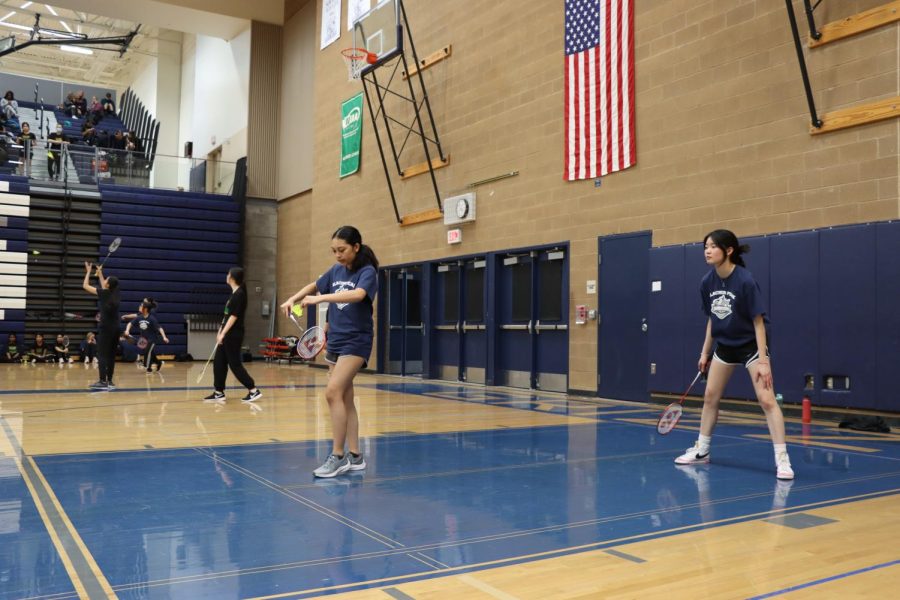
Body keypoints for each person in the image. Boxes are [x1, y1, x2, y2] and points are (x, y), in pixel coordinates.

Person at [674, 229, 793, 480]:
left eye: (713, 246)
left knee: (767, 401)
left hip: (751, 346)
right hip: (725, 347)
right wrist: (704, 352)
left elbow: (758, 322)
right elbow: (711, 319)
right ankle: (702, 450)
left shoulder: (745, 281)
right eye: (705, 246)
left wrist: (764, 361)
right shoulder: (707, 282)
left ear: (728, 251)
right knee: (710, 397)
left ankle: (782, 460)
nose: (707, 250)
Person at [280, 225, 378, 478]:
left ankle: (338, 456)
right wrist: (292, 298)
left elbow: (358, 295)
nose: (337, 255)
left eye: (342, 250)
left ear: (356, 247)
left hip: (356, 341)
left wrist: (322, 299)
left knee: (332, 391)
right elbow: (315, 284)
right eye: (334, 250)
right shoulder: (335, 270)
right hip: (334, 338)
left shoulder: (367, 272)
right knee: (345, 398)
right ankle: (356, 455)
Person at [203, 267, 261, 404]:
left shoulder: (239, 294)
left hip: (233, 335)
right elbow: (226, 316)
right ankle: (219, 392)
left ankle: (253, 390)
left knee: (234, 364)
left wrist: (223, 333)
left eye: (228, 274)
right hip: (227, 333)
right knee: (219, 362)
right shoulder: (233, 294)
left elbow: (234, 317)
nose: (226, 275)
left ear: (232, 278)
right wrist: (219, 331)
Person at [82, 262, 120, 390]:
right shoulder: (115, 293)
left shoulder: (104, 294)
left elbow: (85, 286)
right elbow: (105, 285)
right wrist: (100, 273)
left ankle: (102, 382)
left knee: (102, 354)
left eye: (106, 280)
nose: (105, 281)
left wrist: (88, 271)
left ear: (108, 284)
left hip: (106, 328)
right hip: (116, 328)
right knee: (111, 355)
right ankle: (109, 381)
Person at [124, 300, 170, 373]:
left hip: (152, 339)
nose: (139, 307)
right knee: (150, 352)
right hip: (143, 339)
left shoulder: (152, 319)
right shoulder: (139, 317)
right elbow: (130, 323)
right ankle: (158, 362)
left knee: (147, 351)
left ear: (145, 309)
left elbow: (159, 328)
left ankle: (147, 366)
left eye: (141, 306)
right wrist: (127, 330)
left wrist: (164, 337)